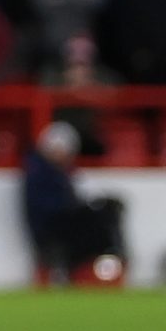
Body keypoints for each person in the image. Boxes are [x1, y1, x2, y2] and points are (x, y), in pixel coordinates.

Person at [22, 121, 125, 282]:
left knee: (107, 209)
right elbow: (50, 208)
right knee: (102, 217)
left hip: (60, 223)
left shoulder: (56, 171)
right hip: (51, 228)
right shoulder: (41, 173)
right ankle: (106, 263)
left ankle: (109, 264)